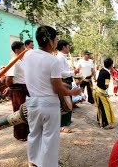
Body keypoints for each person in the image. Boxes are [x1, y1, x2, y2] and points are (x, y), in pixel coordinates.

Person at [22, 26, 81, 167]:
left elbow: (41, 78)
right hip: (48, 104)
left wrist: (62, 85)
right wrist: (72, 92)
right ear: (52, 41)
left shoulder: (27, 55)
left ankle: (33, 162)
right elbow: (56, 87)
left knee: (34, 134)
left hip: (32, 102)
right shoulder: (53, 60)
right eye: (56, 39)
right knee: (50, 138)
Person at [5, 41, 29, 141]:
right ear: (17, 50)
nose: (25, 51)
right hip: (17, 89)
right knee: (19, 112)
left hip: (24, 88)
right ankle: (20, 135)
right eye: (23, 49)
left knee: (26, 111)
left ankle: (26, 132)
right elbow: (9, 78)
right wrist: (10, 87)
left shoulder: (22, 61)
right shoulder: (13, 61)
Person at [56, 40, 75, 132]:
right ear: (63, 47)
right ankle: (63, 124)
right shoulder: (59, 58)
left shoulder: (63, 57)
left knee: (68, 102)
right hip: (64, 81)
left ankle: (67, 121)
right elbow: (61, 73)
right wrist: (73, 72)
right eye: (68, 46)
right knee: (65, 103)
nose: (69, 48)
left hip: (67, 80)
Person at [93, 58, 116, 128]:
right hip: (101, 92)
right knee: (105, 107)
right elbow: (106, 85)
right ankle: (104, 123)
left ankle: (99, 120)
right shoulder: (107, 74)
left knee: (100, 106)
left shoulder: (102, 70)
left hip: (97, 90)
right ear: (111, 65)